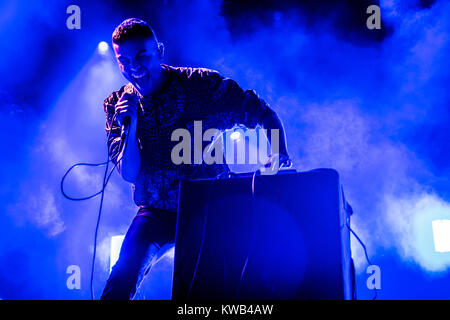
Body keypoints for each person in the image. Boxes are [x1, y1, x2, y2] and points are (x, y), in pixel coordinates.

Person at [100, 18, 290, 300]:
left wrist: (280, 153)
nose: (134, 68)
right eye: (124, 61)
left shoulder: (200, 85)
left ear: (159, 51)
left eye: (142, 56)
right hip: (156, 211)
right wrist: (131, 124)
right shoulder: (117, 104)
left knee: (204, 290)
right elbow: (129, 173)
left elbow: (262, 111)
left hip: (208, 205)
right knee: (120, 281)